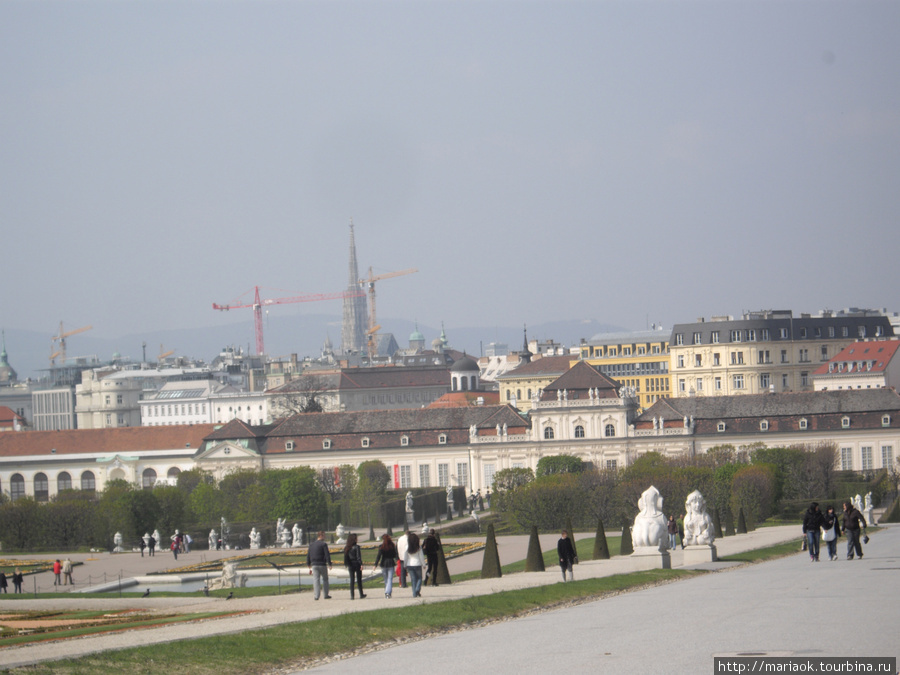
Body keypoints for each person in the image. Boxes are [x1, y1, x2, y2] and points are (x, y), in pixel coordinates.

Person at [306, 531, 332, 600]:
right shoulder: (323, 544)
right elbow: (327, 554)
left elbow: (308, 554)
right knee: (325, 579)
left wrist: (308, 563)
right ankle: (326, 594)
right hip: (322, 564)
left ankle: (316, 596)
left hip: (314, 564)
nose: (325, 537)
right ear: (321, 536)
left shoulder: (311, 545)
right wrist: (329, 563)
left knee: (316, 580)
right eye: (324, 536)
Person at [374, 534, 398, 598]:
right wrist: (397, 560)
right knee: (390, 579)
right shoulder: (392, 546)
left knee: (386, 579)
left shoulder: (381, 546)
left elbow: (378, 556)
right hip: (391, 563)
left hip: (384, 563)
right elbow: (394, 555)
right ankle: (388, 592)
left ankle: (387, 592)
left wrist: (375, 565)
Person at [343, 533, 365, 600]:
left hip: (350, 564)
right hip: (356, 563)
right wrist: (361, 564)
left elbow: (345, 557)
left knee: (352, 580)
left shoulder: (346, 547)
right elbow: (358, 557)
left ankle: (352, 595)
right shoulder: (356, 547)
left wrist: (346, 564)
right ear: (354, 539)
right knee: (359, 580)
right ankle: (361, 594)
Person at [404, 532, 425, 598]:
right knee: (419, 578)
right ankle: (417, 589)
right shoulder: (418, 547)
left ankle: (414, 593)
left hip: (409, 564)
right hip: (417, 564)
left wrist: (405, 565)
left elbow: (405, 557)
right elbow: (421, 557)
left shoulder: (407, 547)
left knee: (413, 579)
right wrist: (423, 564)